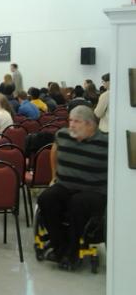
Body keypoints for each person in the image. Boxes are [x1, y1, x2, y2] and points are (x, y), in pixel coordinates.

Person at [37, 106, 107, 270]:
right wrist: (54, 175)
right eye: (70, 120)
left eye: (77, 121)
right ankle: (60, 248)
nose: (72, 125)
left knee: (77, 202)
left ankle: (72, 252)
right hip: (65, 186)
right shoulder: (62, 135)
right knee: (46, 198)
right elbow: (54, 151)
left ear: (90, 125)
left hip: (94, 191)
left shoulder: (106, 142)